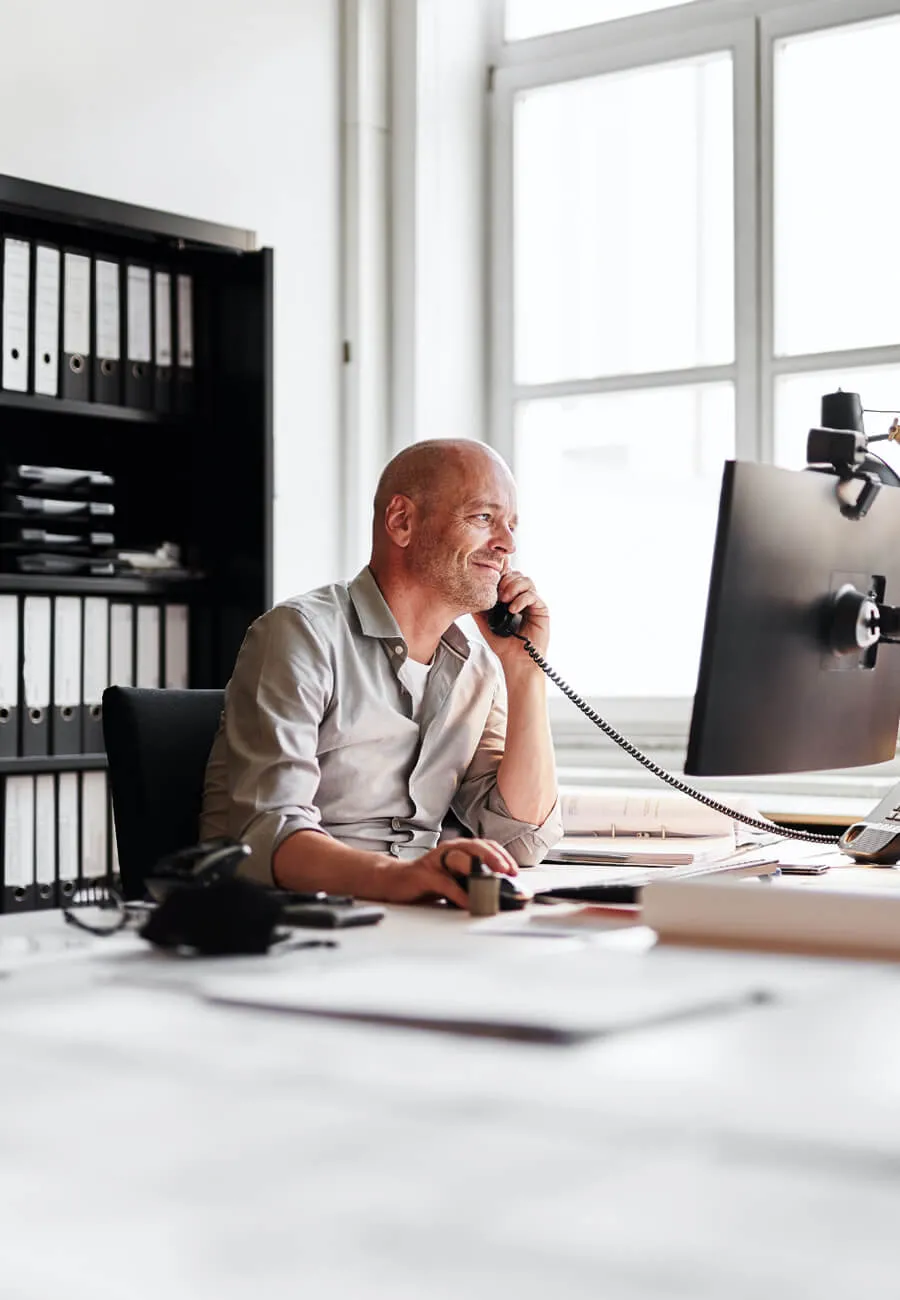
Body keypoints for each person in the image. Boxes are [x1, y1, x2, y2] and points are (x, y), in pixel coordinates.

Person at [200, 438, 563, 908]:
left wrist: (525, 671)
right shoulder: (301, 635)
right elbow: (269, 832)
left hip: (406, 916)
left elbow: (521, 840)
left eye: (511, 526)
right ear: (401, 521)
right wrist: (406, 877)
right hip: (284, 920)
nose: (507, 545)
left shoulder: (477, 670)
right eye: (483, 518)